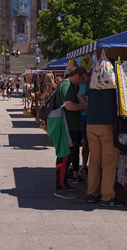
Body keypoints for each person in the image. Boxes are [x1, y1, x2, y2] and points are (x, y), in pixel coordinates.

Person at [85, 71, 124, 207]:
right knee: (109, 163)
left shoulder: (92, 80)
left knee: (94, 160)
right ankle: (107, 197)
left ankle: (92, 193)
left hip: (91, 124)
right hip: (107, 124)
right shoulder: (115, 80)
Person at [52, 67, 89, 200]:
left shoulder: (71, 86)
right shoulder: (67, 86)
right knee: (64, 157)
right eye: (83, 78)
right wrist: (83, 107)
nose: (83, 82)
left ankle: (64, 184)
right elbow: (69, 106)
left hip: (72, 128)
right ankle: (60, 187)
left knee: (68, 157)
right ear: (77, 76)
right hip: (68, 128)